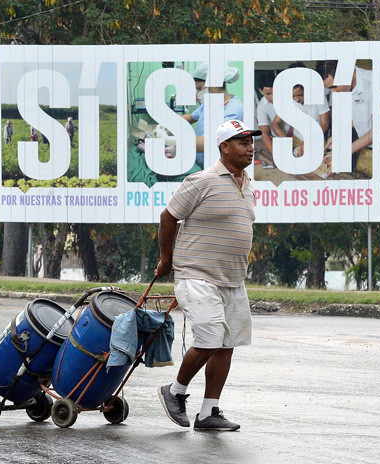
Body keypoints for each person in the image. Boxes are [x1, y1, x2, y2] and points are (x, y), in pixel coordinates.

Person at [155, 119, 261, 431]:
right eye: (242, 142)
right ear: (224, 147)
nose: (250, 148)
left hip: (232, 279)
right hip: (196, 276)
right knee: (211, 338)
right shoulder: (200, 181)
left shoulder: (248, 187)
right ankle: (174, 392)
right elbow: (168, 216)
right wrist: (166, 259)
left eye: (251, 142)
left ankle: (208, 412)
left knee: (227, 343)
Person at [315, 60, 372, 178]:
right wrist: (338, 135)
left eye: (334, 86)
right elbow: (358, 117)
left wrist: (342, 155)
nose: (333, 92)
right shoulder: (348, 87)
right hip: (365, 151)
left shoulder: (372, 82)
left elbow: (376, 132)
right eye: (329, 89)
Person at [181, 63, 243, 169]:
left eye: (199, 88)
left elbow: (212, 142)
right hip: (201, 163)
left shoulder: (233, 109)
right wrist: (168, 123)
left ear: (213, 85)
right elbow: (191, 117)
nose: (198, 93)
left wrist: (177, 141)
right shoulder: (209, 104)